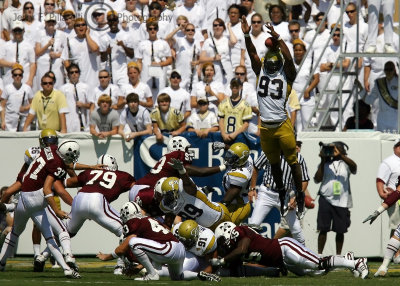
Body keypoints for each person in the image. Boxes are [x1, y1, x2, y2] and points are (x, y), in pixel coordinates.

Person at [241, 16, 305, 219]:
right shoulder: (267, 71)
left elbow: (287, 59)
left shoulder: (284, 75)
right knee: (275, 164)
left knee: (293, 162)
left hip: (280, 125)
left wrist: (277, 40)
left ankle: (300, 194)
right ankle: (283, 192)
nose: (268, 66)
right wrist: (247, 34)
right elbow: (253, 53)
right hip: (268, 128)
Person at [0, 140, 81, 278]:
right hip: (36, 200)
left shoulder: (49, 150)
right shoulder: (56, 165)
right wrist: (57, 210)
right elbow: (48, 190)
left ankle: (1, 263)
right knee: (51, 236)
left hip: (24, 197)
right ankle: (67, 267)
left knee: (15, 232)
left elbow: (10, 191)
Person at [212, 222, 369, 279]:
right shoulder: (236, 245)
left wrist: (222, 260)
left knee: (318, 264)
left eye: (221, 241)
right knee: (317, 273)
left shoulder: (240, 232)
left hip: (285, 248)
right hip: (283, 261)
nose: (222, 246)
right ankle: (346, 258)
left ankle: (356, 262)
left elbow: (242, 249)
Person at [129, 136, 226, 226]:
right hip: (149, 191)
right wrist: (223, 167)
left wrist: (200, 191)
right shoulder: (178, 154)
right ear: (180, 146)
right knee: (174, 207)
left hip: (141, 189)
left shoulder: (169, 156)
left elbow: (184, 187)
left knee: (162, 219)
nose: (188, 151)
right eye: (187, 148)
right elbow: (199, 172)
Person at [64, 154, 135, 275]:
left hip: (79, 198)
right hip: (97, 200)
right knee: (127, 230)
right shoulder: (123, 176)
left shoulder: (89, 173)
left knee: (64, 232)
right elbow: (135, 188)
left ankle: (44, 256)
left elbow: (66, 183)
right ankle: (120, 265)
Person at [97, 201, 204, 281]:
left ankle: (152, 274)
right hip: (178, 248)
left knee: (133, 243)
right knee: (178, 277)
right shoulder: (151, 220)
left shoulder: (134, 222)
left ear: (126, 214)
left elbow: (125, 245)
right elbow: (152, 251)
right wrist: (139, 267)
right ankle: (199, 275)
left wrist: (108, 256)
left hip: (168, 249)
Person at [247, 144, 309, 246]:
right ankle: (245, 252)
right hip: (267, 192)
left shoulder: (298, 157)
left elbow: (305, 180)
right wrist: (252, 188)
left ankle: (305, 255)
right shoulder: (270, 152)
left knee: (296, 229)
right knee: (253, 225)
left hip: (286, 195)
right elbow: (255, 167)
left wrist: (297, 197)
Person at [314, 141, 357, 255]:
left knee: (340, 230)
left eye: (336, 149)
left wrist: (341, 156)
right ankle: (319, 255)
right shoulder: (325, 164)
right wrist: (323, 160)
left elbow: (354, 167)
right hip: (325, 199)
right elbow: (317, 179)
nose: (333, 151)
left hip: (342, 201)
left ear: (342, 150)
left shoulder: (346, 163)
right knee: (323, 229)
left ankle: (338, 256)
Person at [157, 164, 231, 230]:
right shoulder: (166, 204)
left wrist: (182, 171)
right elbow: (168, 224)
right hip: (205, 229)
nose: (169, 198)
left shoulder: (185, 189)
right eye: (166, 196)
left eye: (170, 195)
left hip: (219, 216)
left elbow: (188, 183)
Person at [218, 142, 253, 225]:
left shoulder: (239, 175)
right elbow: (239, 152)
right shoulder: (247, 159)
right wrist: (225, 146)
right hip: (234, 203)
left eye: (232, 157)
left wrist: (214, 208)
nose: (228, 158)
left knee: (224, 228)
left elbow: (227, 200)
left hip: (238, 206)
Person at [98, 11, 134, 89]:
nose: (112, 22)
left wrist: (123, 46)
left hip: (122, 72)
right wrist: (106, 52)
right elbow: (102, 59)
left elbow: (131, 55)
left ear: (117, 21)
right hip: (109, 71)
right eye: (110, 21)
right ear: (108, 22)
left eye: (114, 20)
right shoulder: (103, 37)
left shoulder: (126, 35)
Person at [61, 18, 100, 87]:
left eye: (83, 25)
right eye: (78, 25)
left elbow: (95, 49)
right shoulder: (70, 42)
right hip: (77, 80)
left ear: (87, 27)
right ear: (74, 29)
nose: (81, 27)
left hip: (92, 79)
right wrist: (72, 74)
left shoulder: (93, 39)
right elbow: (65, 60)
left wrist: (87, 35)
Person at [292, 39, 319, 132]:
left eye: (300, 50)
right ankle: (299, 144)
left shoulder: (310, 63)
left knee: (307, 121)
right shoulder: (290, 63)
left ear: (304, 51)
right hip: (294, 97)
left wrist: (308, 90)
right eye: (296, 50)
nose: (298, 52)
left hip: (307, 97)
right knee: (297, 123)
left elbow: (316, 79)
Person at [0, 20, 36, 88]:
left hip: (25, 80)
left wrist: (30, 80)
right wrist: (11, 64)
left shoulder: (29, 46)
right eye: (15, 30)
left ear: (23, 31)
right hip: (9, 80)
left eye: (19, 30)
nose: (17, 33)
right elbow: (0, 61)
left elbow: (32, 64)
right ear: (11, 31)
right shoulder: (6, 45)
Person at [35, 13, 67, 90]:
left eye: (53, 22)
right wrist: (48, 45)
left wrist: (56, 55)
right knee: (42, 87)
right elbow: (38, 52)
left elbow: (66, 52)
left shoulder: (62, 34)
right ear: (45, 23)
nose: (51, 24)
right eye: (49, 22)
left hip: (56, 65)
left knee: (58, 87)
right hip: (43, 64)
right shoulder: (39, 34)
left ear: (55, 23)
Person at [365, 61, 399, 132]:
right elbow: (369, 100)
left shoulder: (398, 82)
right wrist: (360, 89)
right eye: (386, 69)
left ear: (394, 70)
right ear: (384, 71)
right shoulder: (379, 83)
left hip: (396, 119)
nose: (388, 72)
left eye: (391, 69)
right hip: (382, 120)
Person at [199, 18, 234, 84]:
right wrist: (213, 58)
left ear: (223, 27)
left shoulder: (226, 39)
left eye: (220, 25)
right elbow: (201, 59)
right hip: (212, 70)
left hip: (226, 69)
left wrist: (229, 27)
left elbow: (234, 41)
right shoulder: (207, 41)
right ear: (213, 28)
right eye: (215, 25)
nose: (218, 27)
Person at [60, 64, 93, 132]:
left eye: (76, 72)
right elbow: (60, 107)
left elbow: (92, 105)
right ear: (68, 75)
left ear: (79, 73)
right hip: (68, 122)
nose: (74, 74)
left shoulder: (85, 87)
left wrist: (83, 105)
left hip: (82, 122)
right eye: (72, 72)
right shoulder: (63, 88)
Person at [1, 63, 34, 131]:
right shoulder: (7, 88)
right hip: (9, 123)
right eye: (15, 75)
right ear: (12, 76)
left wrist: (25, 108)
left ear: (22, 76)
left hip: (23, 122)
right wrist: (3, 121)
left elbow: (33, 104)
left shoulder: (27, 88)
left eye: (20, 75)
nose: (17, 77)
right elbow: (2, 106)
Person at [218, 78, 252, 143]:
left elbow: (246, 124)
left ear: (241, 87)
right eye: (233, 85)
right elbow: (221, 120)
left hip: (239, 137)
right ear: (230, 87)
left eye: (237, 85)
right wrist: (223, 134)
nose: (234, 87)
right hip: (225, 137)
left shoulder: (245, 105)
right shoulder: (223, 103)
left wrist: (234, 134)